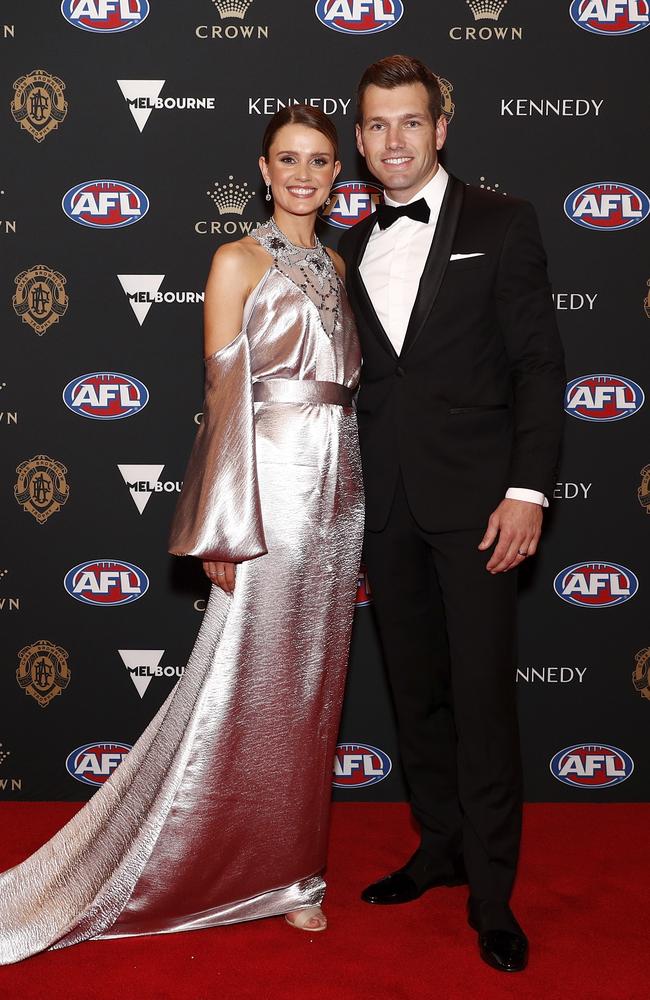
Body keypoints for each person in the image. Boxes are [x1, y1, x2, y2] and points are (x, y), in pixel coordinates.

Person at [0, 105, 363, 964]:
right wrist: (222, 524)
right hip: (266, 493)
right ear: (264, 171)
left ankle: (292, 874)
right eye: (288, 160)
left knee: (311, 696)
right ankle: (190, 861)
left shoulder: (337, 265)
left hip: (338, 498)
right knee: (241, 683)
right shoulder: (235, 260)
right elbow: (221, 402)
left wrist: (356, 510)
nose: (304, 174)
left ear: (334, 173)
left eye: (319, 160)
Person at [338, 56, 566, 973]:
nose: (394, 141)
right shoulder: (346, 248)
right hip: (384, 507)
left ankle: (494, 892)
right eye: (377, 126)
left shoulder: (505, 225)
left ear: (442, 126)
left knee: (481, 700)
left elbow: (539, 370)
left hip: (480, 509)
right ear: (359, 141)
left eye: (410, 122)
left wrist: (528, 490)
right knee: (415, 693)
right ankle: (437, 848)